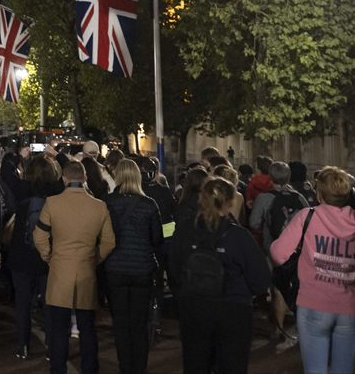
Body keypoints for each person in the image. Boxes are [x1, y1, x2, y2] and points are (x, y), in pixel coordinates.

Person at [269, 165, 355, 374]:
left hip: (314, 303)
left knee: (315, 370)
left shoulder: (307, 216)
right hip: (348, 303)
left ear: (319, 194)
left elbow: (278, 254)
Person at [170, 176, 270, 374]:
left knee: (195, 364)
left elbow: (173, 268)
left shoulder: (184, 230)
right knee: (232, 365)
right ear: (230, 202)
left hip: (194, 308)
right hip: (233, 311)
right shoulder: (239, 236)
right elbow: (260, 279)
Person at [33, 160, 115, 374]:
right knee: (87, 328)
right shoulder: (99, 206)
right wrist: (93, 259)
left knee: (59, 329)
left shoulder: (52, 203)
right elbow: (108, 242)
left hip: (60, 271)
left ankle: (58, 368)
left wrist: (49, 256)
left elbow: (39, 235)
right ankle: (90, 369)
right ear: (85, 178)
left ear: (64, 179)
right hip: (86, 271)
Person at [103, 158, 162, 374]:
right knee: (139, 323)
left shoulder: (108, 203)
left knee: (120, 323)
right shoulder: (149, 205)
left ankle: (125, 366)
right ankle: (139, 367)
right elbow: (157, 239)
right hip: (142, 269)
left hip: (115, 268)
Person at [249, 160, 308, 349]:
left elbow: (254, 223)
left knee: (277, 288)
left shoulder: (265, 198)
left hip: (272, 247)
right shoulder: (299, 197)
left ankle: (279, 327)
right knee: (299, 285)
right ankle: (301, 325)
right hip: (297, 249)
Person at [9, 154, 62, 360]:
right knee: (50, 303)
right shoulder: (57, 196)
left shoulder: (22, 193)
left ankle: (22, 345)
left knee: (22, 303)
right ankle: (51, 346)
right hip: (48, 256)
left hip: (22, 255)